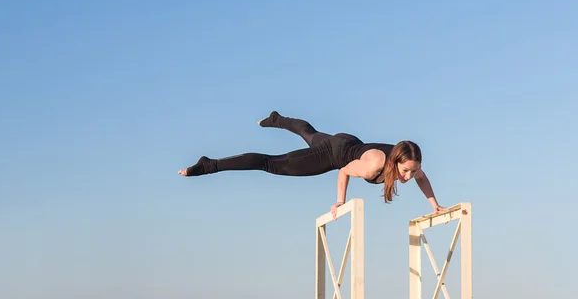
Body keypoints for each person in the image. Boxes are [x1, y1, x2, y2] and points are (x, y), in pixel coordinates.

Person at [178, 111, 446, 218]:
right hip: (333, 155)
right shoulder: (373, 164)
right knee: (270, 164)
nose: (409, 176)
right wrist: (340, 202)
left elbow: (422, 178)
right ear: (395, 161)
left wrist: (434, 205)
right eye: (405, 171)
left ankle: (277, 119)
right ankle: (209, 164)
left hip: (348, 141)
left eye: (412, 170)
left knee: (310, 133)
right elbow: (343, 171)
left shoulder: (410, 163)